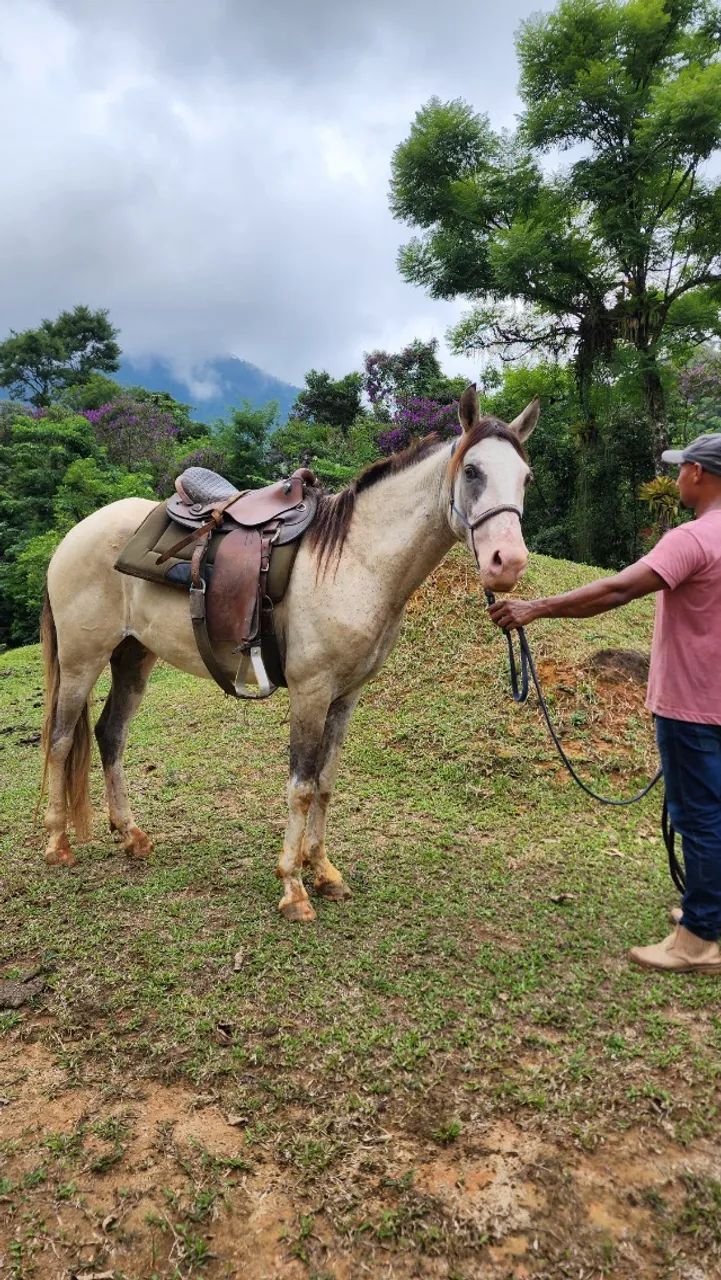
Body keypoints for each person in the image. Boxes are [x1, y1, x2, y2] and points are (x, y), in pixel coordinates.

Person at [488, 433, 721, 974]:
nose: (678, 475)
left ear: (701, 475)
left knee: (700, 819)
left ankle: (700, 938)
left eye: (682, 467)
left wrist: (534, 608)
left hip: (693, 705)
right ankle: (707, 910)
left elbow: (618, 591)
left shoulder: (692, 538)